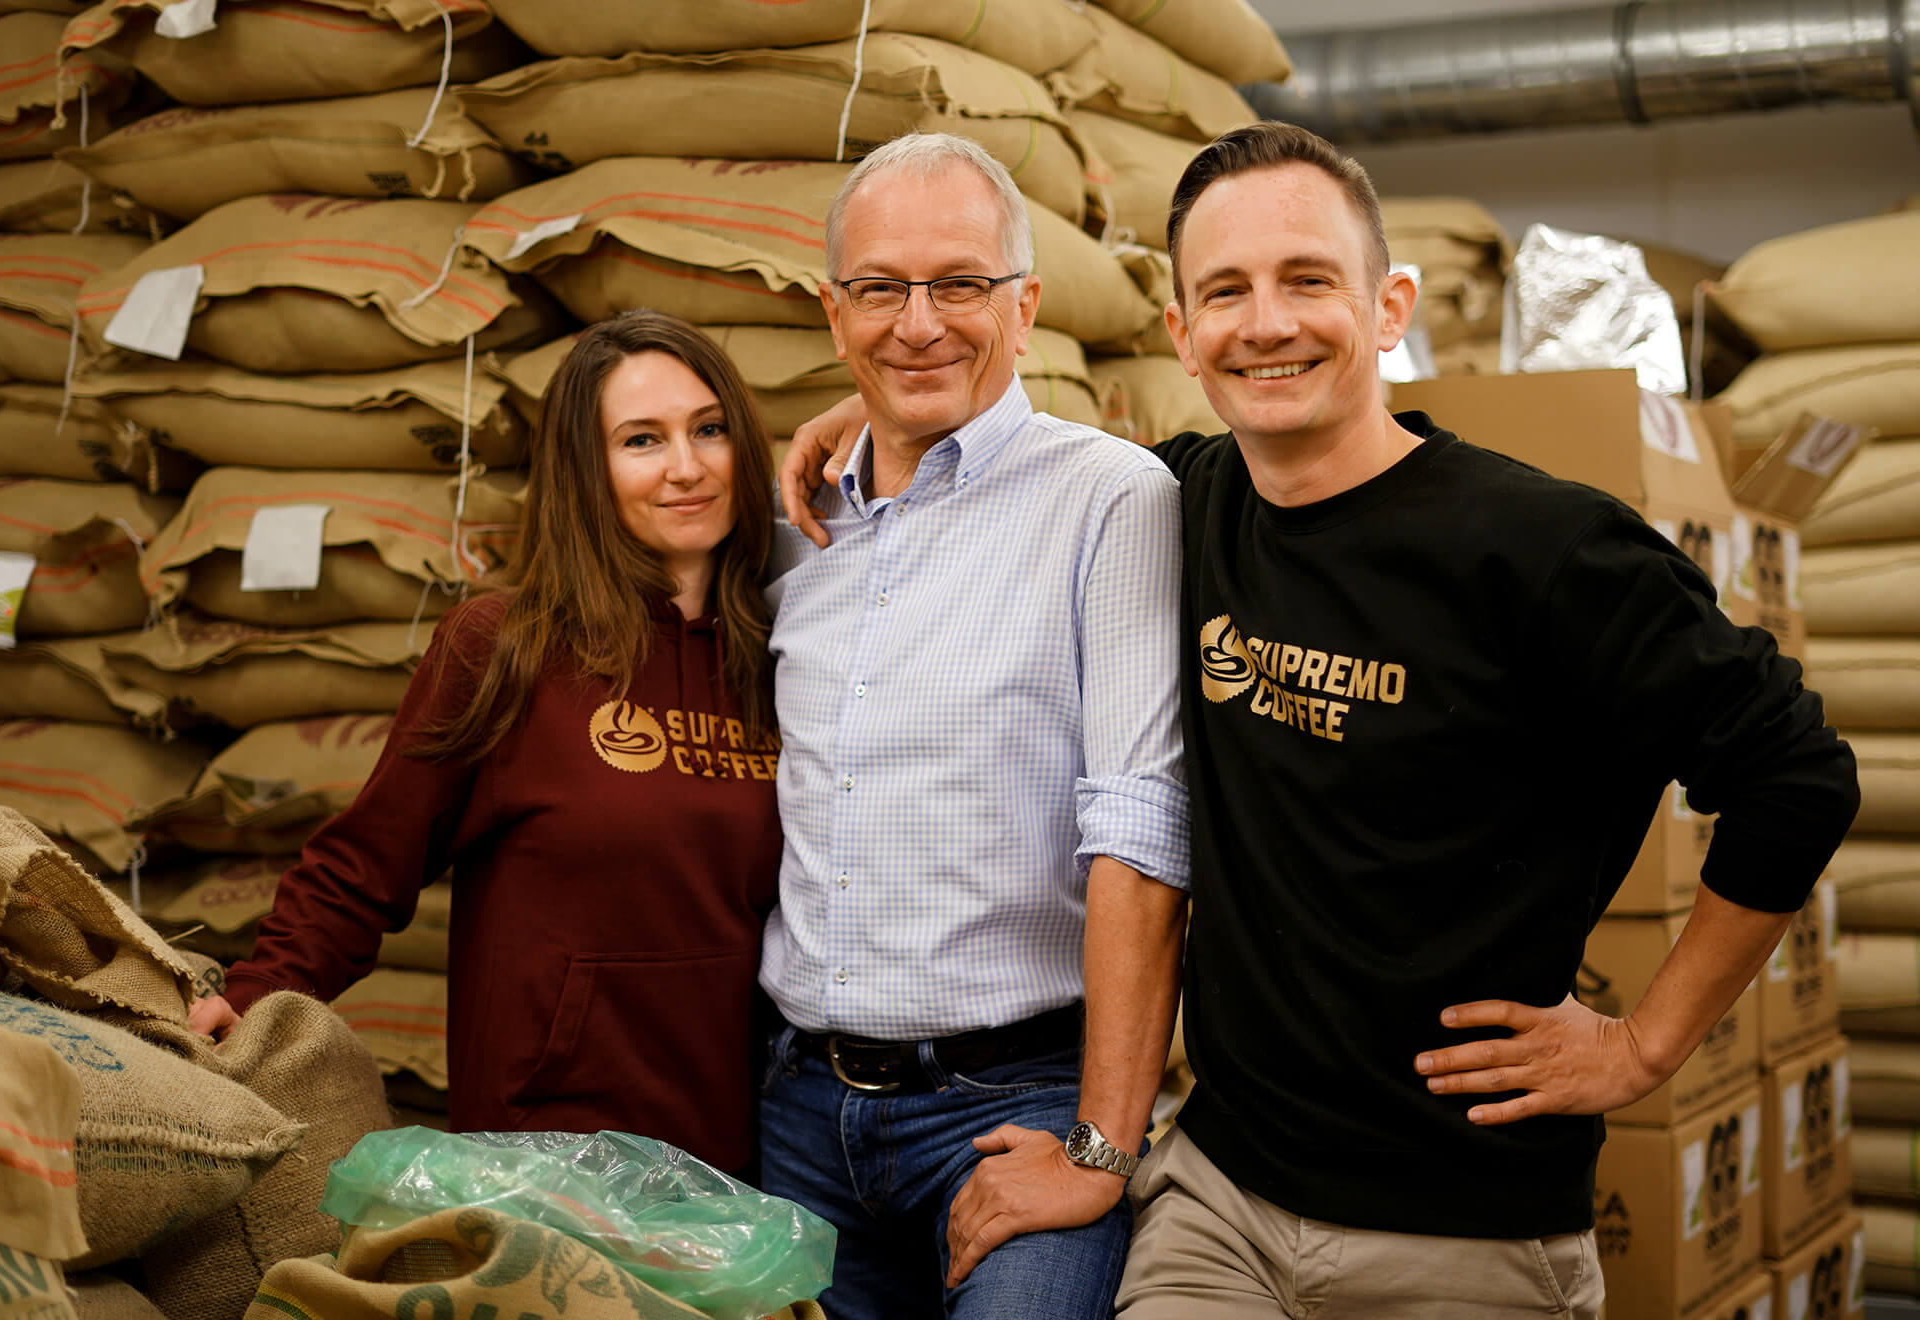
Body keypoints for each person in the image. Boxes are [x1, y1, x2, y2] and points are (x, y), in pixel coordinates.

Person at [781, 123, 1861, 1317]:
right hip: (1223, 1205)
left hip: (1465, 1226)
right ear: (1182, 332)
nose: (1266, 323)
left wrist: (1645, 1044)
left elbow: (1796, 776)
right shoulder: (1183, 502)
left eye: (1307, 281)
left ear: (1390, 307)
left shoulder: (1542, 548)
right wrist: (872, 416)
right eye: (1225, 292)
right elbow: (1000, 450)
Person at [191, 310, 784, 1176]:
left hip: (742, 1144)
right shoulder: (507, 646)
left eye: (710, 429)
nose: (687, 467)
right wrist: (254, 994)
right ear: (586, 469)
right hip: (547, 1143)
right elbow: (368, 864)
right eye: (641, 440)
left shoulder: (782, 656)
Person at [757, 132, 1189, 1319]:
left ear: (1027, 305)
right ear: (833, 313)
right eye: (880, 290)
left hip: (1018, 1104)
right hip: (797, 1110)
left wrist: (1102, 1145)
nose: (919, 323)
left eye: (960, 284)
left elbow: (1144, 830)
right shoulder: (795, 524)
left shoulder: (1112, 501)